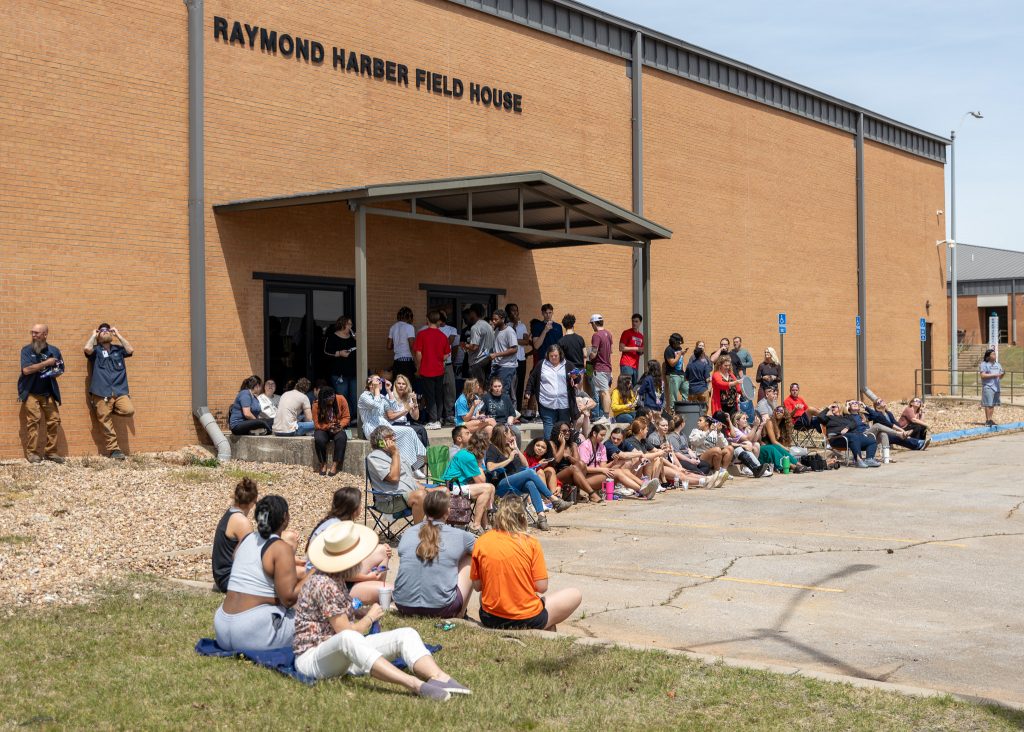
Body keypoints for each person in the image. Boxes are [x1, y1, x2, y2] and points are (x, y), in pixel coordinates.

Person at [294, 521, 467, 699]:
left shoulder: (334, 578)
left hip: (341, 655)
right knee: (348, 637)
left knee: (406, 633)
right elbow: (345, 632)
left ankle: (439, 677)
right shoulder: (324, 584)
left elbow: (334, 615)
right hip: (313, 659)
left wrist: (357, 612)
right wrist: (369, 617)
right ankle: (414, 684)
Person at [471, 496, 582, 630]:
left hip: (490, 618)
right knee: (575, 594)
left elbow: (477, 586)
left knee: (487, 590)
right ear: (522, 517)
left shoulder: (482, 541)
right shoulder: (531, 542)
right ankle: (544, 627)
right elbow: (541, 587)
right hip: (526, 618)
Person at [214, 495, 307, 651]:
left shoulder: (245, 540)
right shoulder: (280, 547)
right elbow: (289, 599)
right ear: (285, 518)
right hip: (252, 632)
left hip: (222, 627)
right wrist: (315, 572)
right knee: (316, 620)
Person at [394, 490, 477, 618]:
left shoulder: (408, 533)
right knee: (470, 557)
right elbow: (482, 553)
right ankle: (460, 614)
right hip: (442, 609)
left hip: (403, 605)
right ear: (448, 511)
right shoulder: (462, 537)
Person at [305, 487, 393, 605]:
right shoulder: (337, 531)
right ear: (353, 508)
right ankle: (375, 590)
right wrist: (368, 577)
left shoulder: (334, 522)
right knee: (394, 591)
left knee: (382, 550)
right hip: (330, 586)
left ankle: (375, 589)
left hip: (337, 578)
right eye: (360, 504)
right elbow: (340, 572)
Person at [485, 424, 572, 530]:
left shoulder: (509, 447)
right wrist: (509, 460)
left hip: (515, 483)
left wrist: (516, 449)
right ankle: (554, 500)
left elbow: (525, 465)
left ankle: (541, 517)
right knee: (530, 473)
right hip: (502, 484)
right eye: (510, 433)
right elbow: (490, 467)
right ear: (504, 434)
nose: (512, 436)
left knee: (530, 483)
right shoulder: (493, 448)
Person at [82, 323, 136, 459]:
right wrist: (93, 335)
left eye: (108, 330)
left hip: (119, 391)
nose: (105, 331)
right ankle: (114, 450)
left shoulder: (118, 350)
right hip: (101, 392)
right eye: (102, 330)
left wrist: (118, 335)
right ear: (98, 335)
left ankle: (109, 410)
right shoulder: (96, 351)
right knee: (105, 422)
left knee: (128, 410)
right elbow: (87, 349)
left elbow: (130, 350)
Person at [18, 324, 65, 463]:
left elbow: (60, 368)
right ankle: (32, 453)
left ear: (45, 334)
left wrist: (54, 371)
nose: (33, 335)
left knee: (54, 421)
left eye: (37, 333)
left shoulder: (54, 350)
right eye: (32, 332)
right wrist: (46, 363)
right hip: (31, 392)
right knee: (33, 421)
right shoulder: (27, 350)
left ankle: (51, 452)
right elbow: (26, 370)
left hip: (48, 393)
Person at [359, 376, 427, 470]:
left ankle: (416, 463)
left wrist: (389, 391)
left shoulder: (382, 396)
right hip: (372, 429)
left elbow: (394, 407)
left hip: (384, 426)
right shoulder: (364, 396)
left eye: (381, 380)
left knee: (409, 431)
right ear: (371, 384)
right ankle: (410, 466)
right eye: (379, 380)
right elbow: (376, 405)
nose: (381, 382)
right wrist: (377, 390)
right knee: (406, 433)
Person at [366, 426, 431, 522]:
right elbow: (394, 478)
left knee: (443, 491)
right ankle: (418, 534)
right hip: (391, 501)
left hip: (407, 495)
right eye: (390, 437)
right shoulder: (374, 457)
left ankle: (438, 530)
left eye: (393, 436)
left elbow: (408, 479)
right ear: (380, 441)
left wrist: (428, 489)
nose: (394, 438)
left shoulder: (395, 456)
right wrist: (395, 453)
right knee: (421, 496)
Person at [439, 431, 496, 534]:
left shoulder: (467, 453)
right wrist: (480, 461)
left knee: (489, 488)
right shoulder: (468, 456)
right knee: (487, 488)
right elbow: (481, 481)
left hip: (458, 487)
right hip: (452, 489)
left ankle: (485, 524)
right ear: (483, 445)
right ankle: (476, 525)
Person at [211, 477, 259, 593]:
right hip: (230, 580)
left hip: (222, 576)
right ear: (253, 503)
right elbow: (251, 557)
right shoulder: (242, 522)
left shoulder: (230, 513)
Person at [525, 344, 579, 440]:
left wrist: (575, 377)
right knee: (548, 430)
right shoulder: (541, 364)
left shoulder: (568, 364)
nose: (553, 358)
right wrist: (528, 391)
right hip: (546, 402)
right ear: (548, 355)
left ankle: (562, 451)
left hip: (564, 404)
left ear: (560, 355)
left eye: (556, 356)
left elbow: (577, 377)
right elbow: (532, 378)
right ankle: (550, 451)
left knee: (564, 429)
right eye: (551, 356)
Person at [414, 310, 451, 430]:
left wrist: (418, 367)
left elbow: (418, 353)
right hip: (439, 369)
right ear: (439, 321)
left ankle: (433, 420)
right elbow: (447, 355)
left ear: (428, 320)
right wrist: (439, 358)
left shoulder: (422, 334)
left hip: (426, 369)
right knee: (438, 395)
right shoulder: (443, 336)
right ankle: (438, 419)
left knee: (429, 395)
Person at [822, 402, 880, 468]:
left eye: (834, 406)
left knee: (871, 440)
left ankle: (869, 459)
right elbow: (820, 417)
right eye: (832, 407)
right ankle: (858, 460)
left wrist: (847, 428)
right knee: (853, 436)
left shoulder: (847, 417)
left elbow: (854, 423)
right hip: (836, 439)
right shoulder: (829, 418)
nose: (832, 408)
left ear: (840, 408)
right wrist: (827, 408)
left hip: (850, 438)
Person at [312, 385, 350, 476]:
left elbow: (346, 417)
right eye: (328, 400)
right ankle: (323, 463)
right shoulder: (316, 405)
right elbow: (317, 424)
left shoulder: (341, 399)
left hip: (337, 427)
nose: (331, 401)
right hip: (323, 428)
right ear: (322, 400)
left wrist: (340, 425)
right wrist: (328, 426)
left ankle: (335, 464)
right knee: (319, 438)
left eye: (332, 399)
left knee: (341, 437)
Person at [324, 316, 358, 416]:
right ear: (343, 324)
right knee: (342, 397)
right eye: (349, 324)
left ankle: (353, 418)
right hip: (339, 374)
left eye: (351, 324)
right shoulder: (332, 337)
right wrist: (339, 353)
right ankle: (344, 418)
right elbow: (326, 352)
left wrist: (358, 340)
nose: (351, 326)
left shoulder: (353, 338)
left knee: (354, 397)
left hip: (353, 373)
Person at [486, 308, 519, 399]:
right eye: (493, 319)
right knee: (493, 390)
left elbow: (514, 349)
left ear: (503, 319)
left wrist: (496, 355)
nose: (493, 321)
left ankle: (506, 412)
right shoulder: (496, 331)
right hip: (496, 365)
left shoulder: (509, 331)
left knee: (504, 391)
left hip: (507, 366)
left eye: (496, 319)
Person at [389, 374, 430, 447]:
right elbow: (391, 417)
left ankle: (421, 456)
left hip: (404, 424)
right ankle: (428, 453)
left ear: (406, 386)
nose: (401, 386)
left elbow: (415, 417)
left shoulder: (408, 397)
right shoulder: (390, 396)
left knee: (419, 437)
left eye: (403, 384)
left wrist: (415, 402)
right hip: (393, 425)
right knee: (421, 429)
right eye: (399, 383)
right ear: (395, 385)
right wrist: (406, 410)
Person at [481, 376, 522, 446]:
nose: (497, 388)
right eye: (495, 386)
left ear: (502, 386)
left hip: (505, 423)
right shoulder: (486, 397)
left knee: (517, 433)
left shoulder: (506, 397)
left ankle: (516, 453)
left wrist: (509, 423)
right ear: (491, 387)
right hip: (492, 423)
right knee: (495, 432)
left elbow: (511, 414)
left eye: (499, 386)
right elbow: (482, 413)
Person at [587, 314, 613, 419]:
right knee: (602, 392)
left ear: (594, 323)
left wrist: (588, 355)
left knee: (604, 393)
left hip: (599, 368)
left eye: (591, 324)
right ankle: (603, 417)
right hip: (607, 368)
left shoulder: (596, 335)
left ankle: (605, 417)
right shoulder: (609, 334)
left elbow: (593, 353)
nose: (592, 327)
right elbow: (611, 351)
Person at [463, 303, 495, 385]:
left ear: (473, 313)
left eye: (470, 313)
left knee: (477, 387)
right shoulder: (488, 326)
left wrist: (465, 345)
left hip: (477, 361)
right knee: (485, 386)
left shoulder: (475, 327)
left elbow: (474, 347)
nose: (469, 315)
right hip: (487, 359)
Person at [506, 303, 530, 414]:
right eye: (512, 311)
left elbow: (526, 341)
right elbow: (507, 343)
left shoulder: (522, 326)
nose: (515, 313)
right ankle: (510, 409)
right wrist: (517, 339)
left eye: (516, 310)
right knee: (511, 386)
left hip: (521, 359)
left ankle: (518, 410)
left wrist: (514, 340)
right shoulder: (506, 326)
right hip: (510, 360)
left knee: (520, 385)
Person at [438, 310, 459, 425]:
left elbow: (450, 343)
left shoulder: (452, 329)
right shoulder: (430, 330)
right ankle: (439, 415)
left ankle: (449, 414)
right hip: (436, 364)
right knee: (439, 389)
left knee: (450, 390)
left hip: (448, 363)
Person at [387, 306, 417, 383]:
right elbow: (412, 346)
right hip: (407, 362)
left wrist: (398, 344)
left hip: (397, 362)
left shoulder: (393, 327)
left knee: (398, 388)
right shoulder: (410, 327)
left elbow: (388, 346)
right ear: (409, 317)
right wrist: (416, 362)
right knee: (408, 387)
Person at [618, 313, 645, 386]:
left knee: (633, 387)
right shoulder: (626, 333)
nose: (634, 323)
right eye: (633, 321)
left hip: (635, 365)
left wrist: (641, 351)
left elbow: (640, 351)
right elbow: (621, 348)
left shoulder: (641, 336)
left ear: (640, 322)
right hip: (626, 363)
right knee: (626, 386)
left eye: (636, 321)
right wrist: (636, 348)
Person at [979, 348, 1004, 426]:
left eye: (995, 354)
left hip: (996, 387)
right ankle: (987, 420)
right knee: (988, 403)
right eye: (992, 354)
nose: (994, 355)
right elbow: (982, 375)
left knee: (992, 404)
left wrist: (1002, 374)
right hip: (988, 386)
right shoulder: (984, 364)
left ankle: (990, 420)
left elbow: (999, 377)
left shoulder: (998, 365)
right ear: (988, 356)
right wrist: (994, 375)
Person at [664, 333, 689, 407]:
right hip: (673, 375)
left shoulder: (679, 349)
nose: (680, 344)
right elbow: (672, 363)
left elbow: (681, 361)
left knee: (686, 391)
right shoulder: (668, 350)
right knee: (673, 396)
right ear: (673, 342)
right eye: (678, 342)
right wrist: (679, 354)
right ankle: (673, 413)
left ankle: (685, 409)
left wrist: (684, 371)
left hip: (681, 374)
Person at [685, 341, 712, 409]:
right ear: (701, 355)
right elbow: (707, 379)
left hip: (692, 391)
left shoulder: (689, 365)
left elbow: (686, 378)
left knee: (692, 410)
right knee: (704, 410)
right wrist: (711, 378)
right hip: (702, 390)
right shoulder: (704, 365)